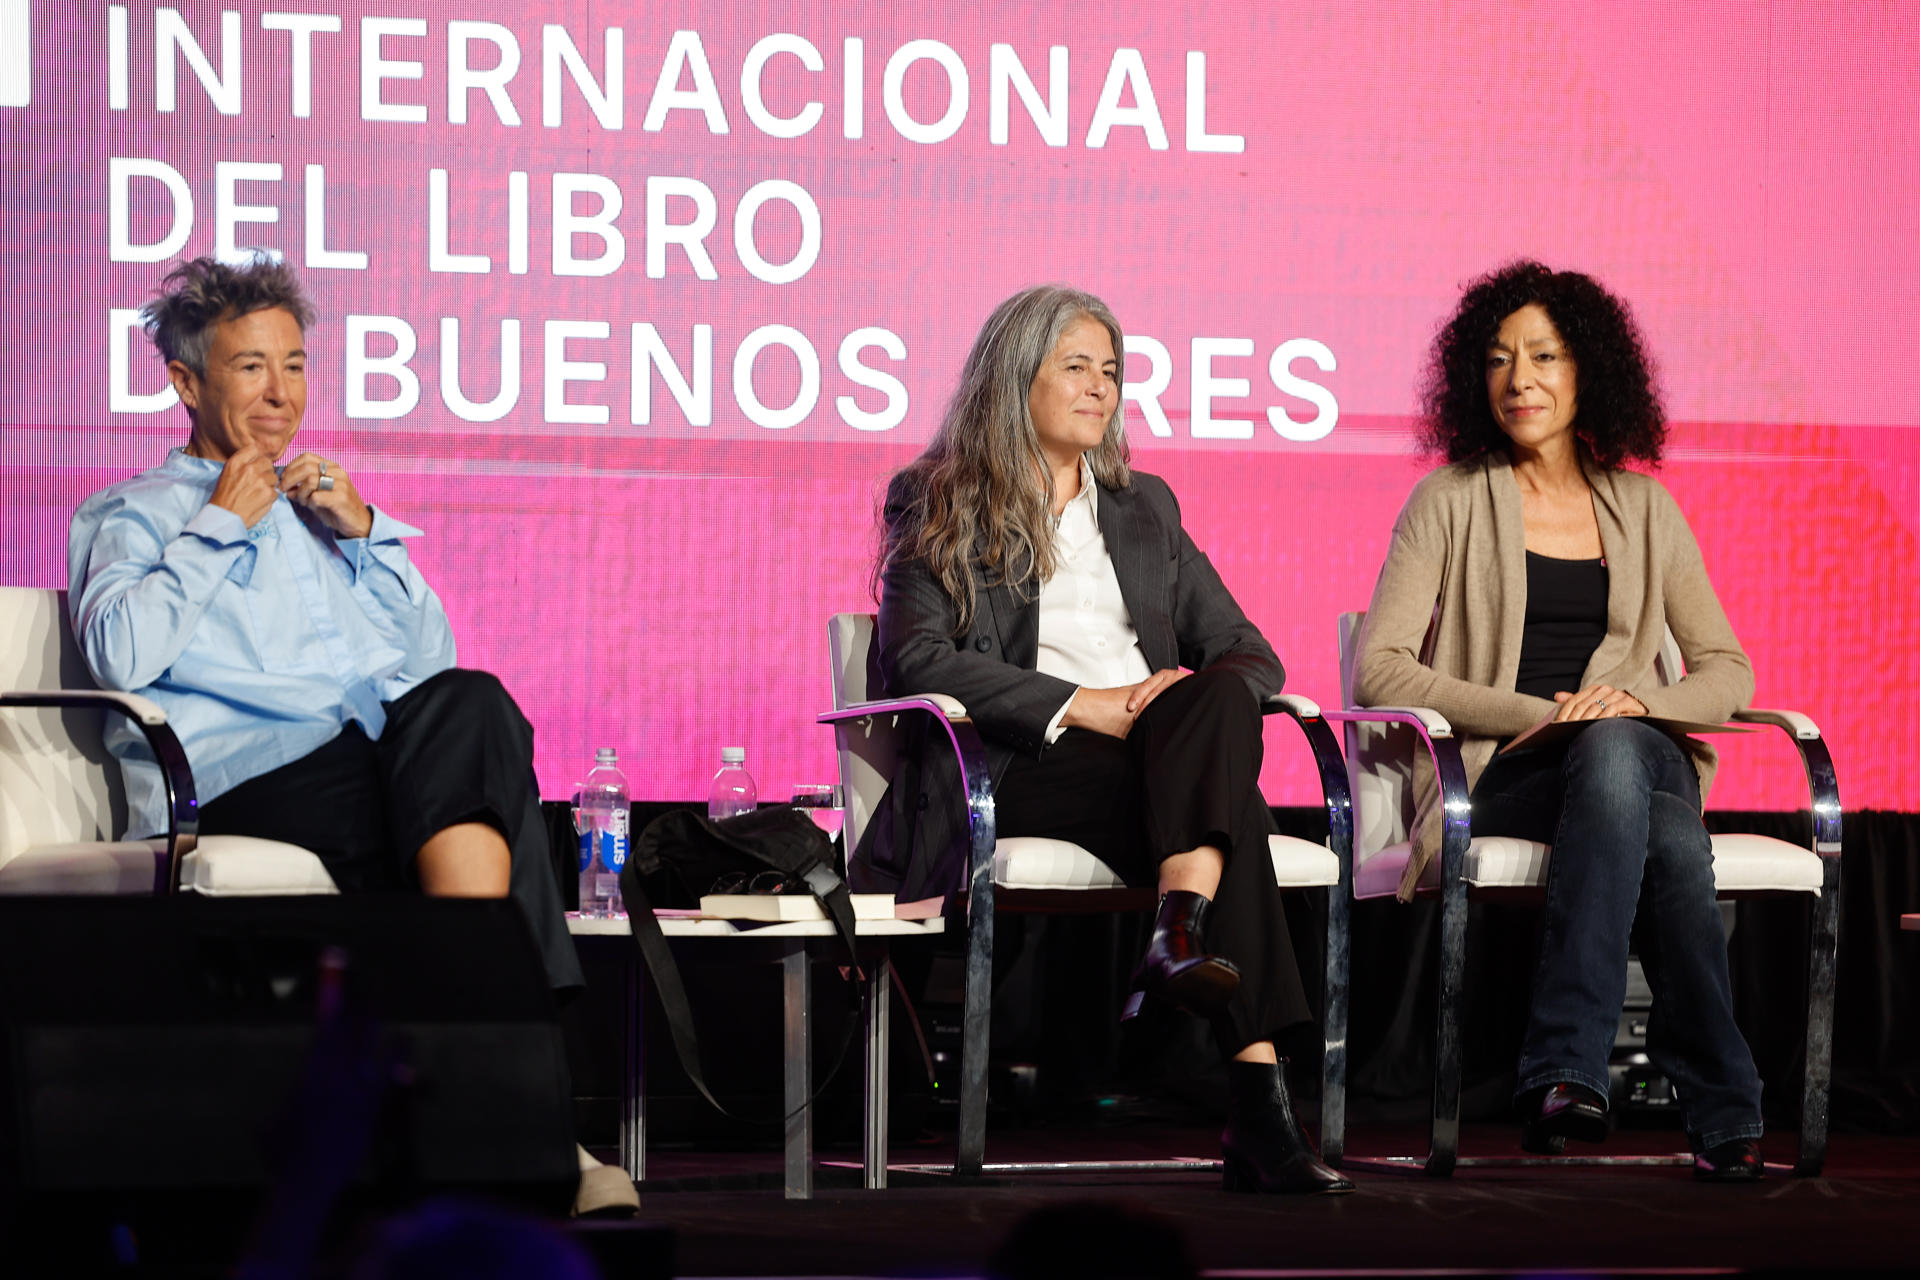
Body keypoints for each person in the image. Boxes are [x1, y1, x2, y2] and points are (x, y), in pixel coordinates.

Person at [69, 255, 634, 1214]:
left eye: (294, 365)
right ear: (187, 383)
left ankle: (489, 1096)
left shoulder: (318, 513)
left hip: (364, 769)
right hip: (243, 782)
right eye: (251, 366)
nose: (280, 392)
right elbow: (118, 653)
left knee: (473, 704)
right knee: (466, 798)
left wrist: (366, 530)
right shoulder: (133, 514)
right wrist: (218, 525)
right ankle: (519, 1108)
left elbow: (426, 663)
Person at [860, 285, 1350, 1195]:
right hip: (1015, 759)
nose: (1101, 387)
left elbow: (1250, 652)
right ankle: (1253, 1093)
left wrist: (1175, 698)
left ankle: (1180, 929)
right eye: (1077, 366)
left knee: (1215, 696)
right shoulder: (936, 497)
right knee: (1231, 812)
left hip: (1152, 756)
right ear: (1016, 379)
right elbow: (915, 659)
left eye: (1112, 371)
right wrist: (1084, 702)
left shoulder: (1142, 506)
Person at [1354, 260, 1765, 1181]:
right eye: (1499, 359)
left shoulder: (1647, 508)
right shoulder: (1448, 500)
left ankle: (1565, 1071)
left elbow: (1727, 670)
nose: (1519, 380)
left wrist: (1638, 703)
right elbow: (1383, 668)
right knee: (1667, 831)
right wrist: (1542, 716)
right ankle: (1725, 1105)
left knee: (1617, 748)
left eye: (1543, 356)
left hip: (1637, 751)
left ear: (1590, 372)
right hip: (1507, 772)